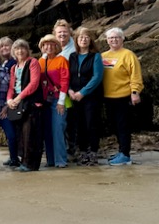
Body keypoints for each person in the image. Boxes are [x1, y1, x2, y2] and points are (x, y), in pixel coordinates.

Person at [101, 27, 143, 166]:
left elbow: (135, 75)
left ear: (122, 39)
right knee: (114, 126)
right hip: (108, 97)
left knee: (123, 126)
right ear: (107, 40)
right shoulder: (103, 56)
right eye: (110, 38)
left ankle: (125, 155)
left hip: (123, 96)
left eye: (116, 37)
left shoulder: (128, 55)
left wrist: (135, 92)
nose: (113, 40)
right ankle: (121, 151)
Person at [67, 26, 104, 166]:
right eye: (81, 37)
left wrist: (83, 92)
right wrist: (70, 90)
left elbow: (97, 77)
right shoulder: (72, 56)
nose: (84, 40)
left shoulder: (95, 56)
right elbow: (68, 76)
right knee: (80, 125)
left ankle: (93, 152)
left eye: (86, 37)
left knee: (91, 124)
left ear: (90, 40)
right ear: (76, 40)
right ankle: (83, 152)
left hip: (91, 97)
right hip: (75, 96)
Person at [6, 39, 44, 171]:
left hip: (31, 103)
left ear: (27, 50)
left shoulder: (33, 62)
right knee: (20, 134)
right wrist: (9, 100)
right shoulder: (14, 67)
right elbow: (11, 86)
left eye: (22, 48)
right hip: (19, 103)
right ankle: (24, 161)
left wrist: (18, 98)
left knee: (30, 133)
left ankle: (30, 164)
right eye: (17, 49)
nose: (20, 51)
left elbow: (34, 83)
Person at [38, 34, 70, 168]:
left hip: (58, 99)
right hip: (45, 100)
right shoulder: (40, 62)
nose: (49, 47)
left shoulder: (62, 60)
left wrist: (61, 102)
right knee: (47, 130)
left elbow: (65, 80)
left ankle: (60, 160)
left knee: (58, 128)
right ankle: (50, 160)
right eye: (46, 44)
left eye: (52, 44)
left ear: (56, 46)